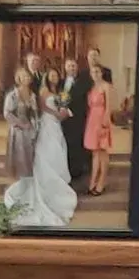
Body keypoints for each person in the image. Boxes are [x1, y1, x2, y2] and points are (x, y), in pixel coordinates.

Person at [1, 75, 79, 232]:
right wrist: (54, 114)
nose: (54, 78)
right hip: (46, 123)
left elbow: (37, 111)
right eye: (51, 75)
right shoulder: (41, 91)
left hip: (54, 126)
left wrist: (63, 111)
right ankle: (40, 186)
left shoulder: (57, 92)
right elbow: (42, 108)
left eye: (56, 75)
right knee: (45, 154)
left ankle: (57, 180)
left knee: (58, 151)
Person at [85, 51, 114, 197]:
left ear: (101, 73)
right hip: (92, 119)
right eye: (93, 72)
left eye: (97, 71)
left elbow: (109, 106)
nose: (95, 74)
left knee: (103, 152)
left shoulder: (106, 86)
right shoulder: (92, 87)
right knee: (95, 152)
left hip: (102, 118)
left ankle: (101, 183)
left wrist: (106, 120)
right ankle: (92, 182)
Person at [61, 53, 93, 185]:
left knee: (77, 145)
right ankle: (65, 169)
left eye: (73, 66)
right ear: (65, 67)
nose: (71, 68)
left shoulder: (84, 81)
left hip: (79, 118)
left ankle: (77, 172)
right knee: (65, 144)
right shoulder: (61, 82)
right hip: (63, 119)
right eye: (69, 66)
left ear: (77, 67)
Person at [1, 67, 37, 181]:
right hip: (17, 130)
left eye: (28, 76)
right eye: (24, 76)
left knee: (30, 156)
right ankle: (17, 181)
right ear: (19, 78)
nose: (26, 78)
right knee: (19, 156)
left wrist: (34, 124)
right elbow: (7, 113)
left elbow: (35, 112)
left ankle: (27, 181)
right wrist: (21, 124)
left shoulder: (32, 95)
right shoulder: (12, 95)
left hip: (30, 129)